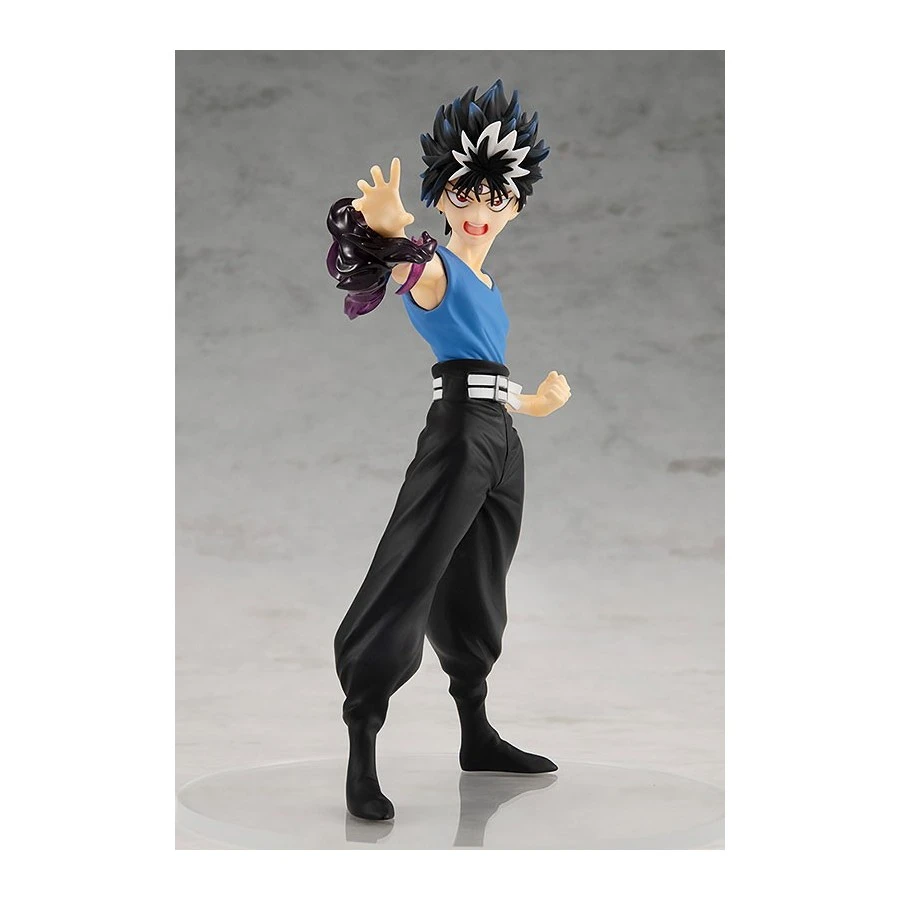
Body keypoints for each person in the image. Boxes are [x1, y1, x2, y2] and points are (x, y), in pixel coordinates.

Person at [326, 81, 572, 821]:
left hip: (499, 437)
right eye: (465, 193)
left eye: (496, 198)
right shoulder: (435, 267)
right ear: (440, 197)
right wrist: (380, 230)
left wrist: (531, 403)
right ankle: (362, 746)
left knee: (478, 585)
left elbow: (484, 368)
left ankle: (477, 732)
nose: (479, 209)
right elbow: (398, 267)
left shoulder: (487, 284)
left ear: (515, 206)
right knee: (410, 572)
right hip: (461, 435)